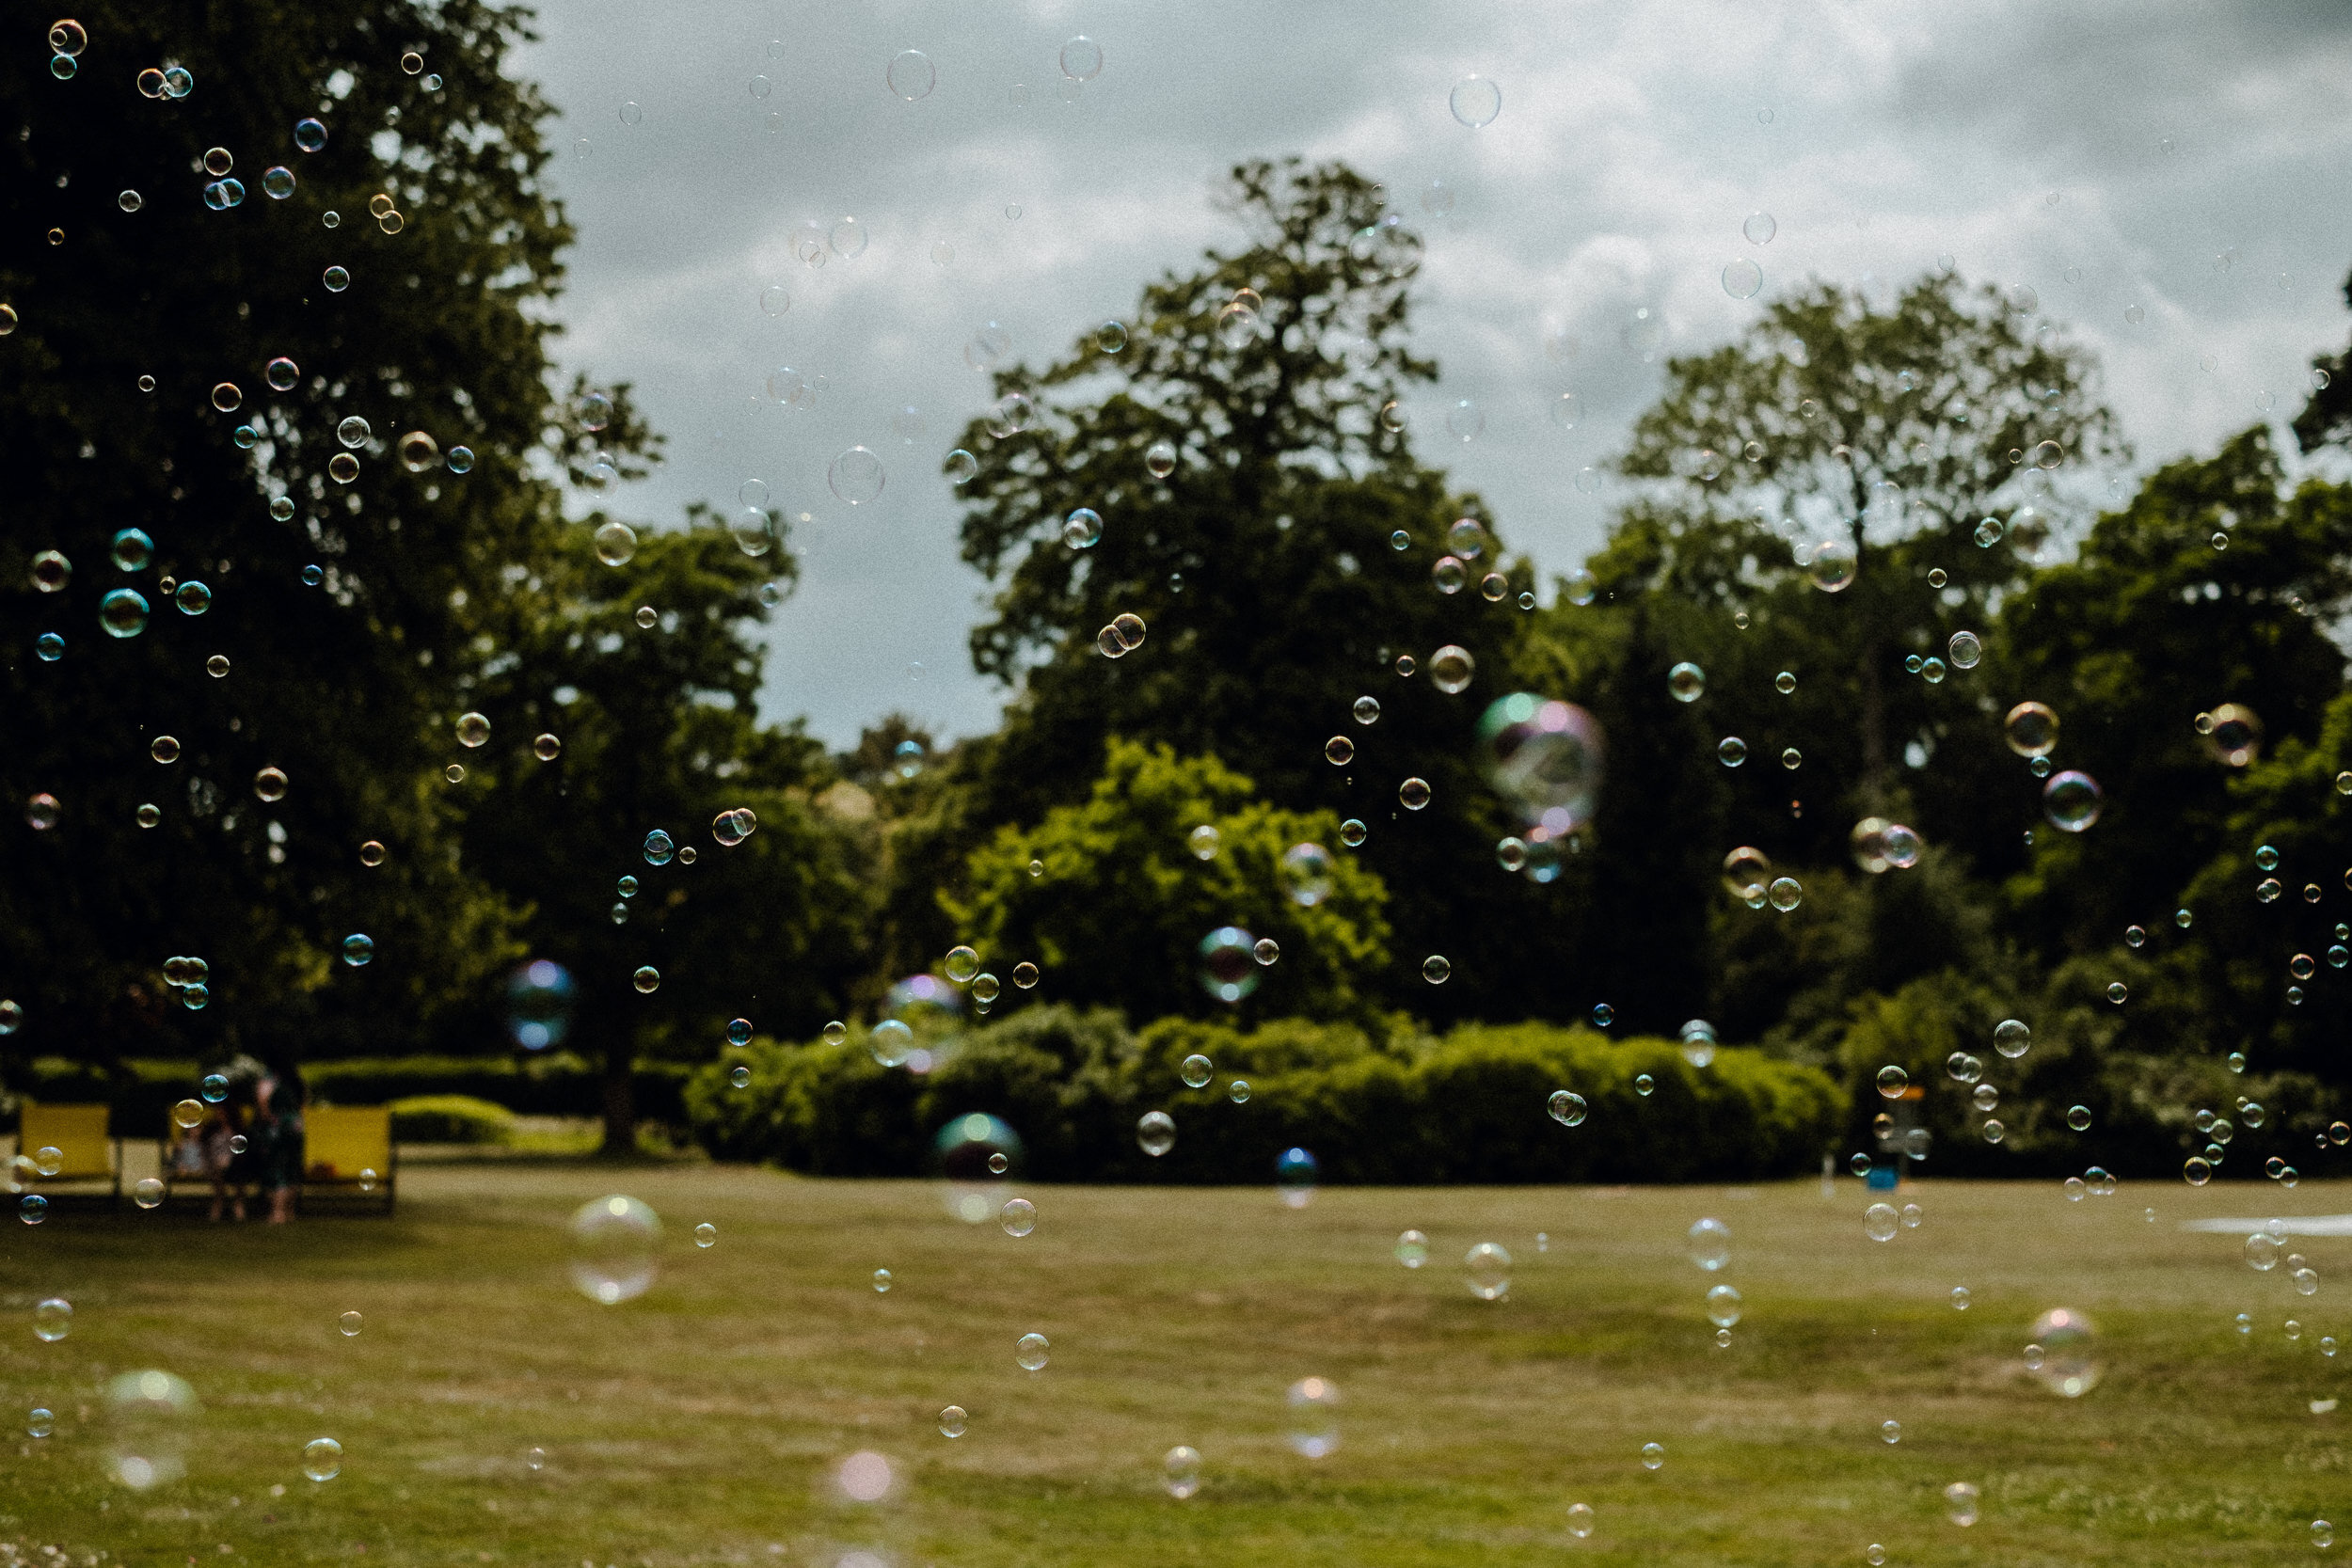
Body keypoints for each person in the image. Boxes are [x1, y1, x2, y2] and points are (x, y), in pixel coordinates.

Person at [256, 1071, 307, 1224]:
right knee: (292, 1174)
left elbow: (263, 1102)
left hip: (278, 1142)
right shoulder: (297, 1116)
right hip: (295, 1140)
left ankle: (278, 1214)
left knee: (278, 1176)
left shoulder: (269, 1079)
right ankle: (290, 1212)